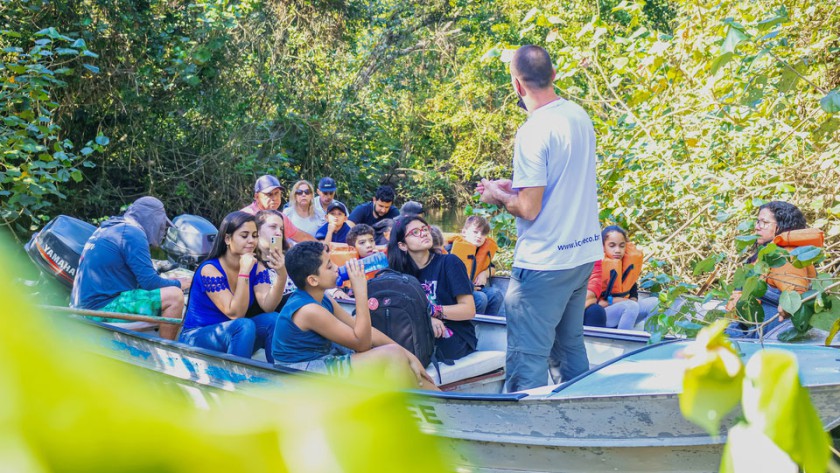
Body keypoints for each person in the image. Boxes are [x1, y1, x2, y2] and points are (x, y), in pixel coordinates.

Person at [478, 45, 601, 391]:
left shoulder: (533, 131)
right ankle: (579, 419)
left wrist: (497, 195)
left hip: (545, 263)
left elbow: (529, 209)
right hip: (582, 256)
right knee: (569, 348)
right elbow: (560, 180)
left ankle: (523, 433)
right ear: (554, 76)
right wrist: (514, 185)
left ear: (517, 85)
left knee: (526, 357)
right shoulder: (578, 115)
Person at [271, 241, 437, 389]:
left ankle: (441, 401)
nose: (337, 268)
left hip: (320, 359)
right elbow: (362, 343)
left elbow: (364, 330)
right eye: (329, 266)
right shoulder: (309, 310)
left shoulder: (324, 298)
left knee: (399, 354)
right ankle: (404, 411)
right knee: (392, 355)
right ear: (313, 280)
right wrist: (360, 292)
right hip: (299, 375)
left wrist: (409, 355)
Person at [71, 196, 188, 340]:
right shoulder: (133, 233)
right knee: (175, 297)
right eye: (162, 224)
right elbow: (150, 283)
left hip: (83, 308)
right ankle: (168, 354)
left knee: (167, 291)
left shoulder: (111, 227)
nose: (163, 230)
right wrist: (181, 283)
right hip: (100, 311)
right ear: (152, 219)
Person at [179, 211, 286, 362]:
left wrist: (282, 274)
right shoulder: (209, 269)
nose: (251, 241)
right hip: (197, 338)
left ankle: (276, 378)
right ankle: (237, 381)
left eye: (255, 235)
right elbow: (235, 314)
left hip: (234, 335)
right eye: (244, 236)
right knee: (244, 325)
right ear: (228, 239)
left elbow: (268, 306)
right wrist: (244, 272)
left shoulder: (257, 267)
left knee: (273, 319)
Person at [725, 201, 824, 338]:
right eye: (757, 222)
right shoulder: (771, 253)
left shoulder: (784, 256)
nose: (757, 227)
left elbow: (795, 292)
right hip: (758, 330)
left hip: (770, 332)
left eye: (764, 223)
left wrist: (787, 308)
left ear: (781, 226)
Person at [388, 215, 477, 361]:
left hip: (454, 335)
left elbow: (468, 310)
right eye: (415, 232)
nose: (423, 233)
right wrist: (426, 320)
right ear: (402, 245)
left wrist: (432, 313)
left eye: (425, 229)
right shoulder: (398, 273)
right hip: (415, 333)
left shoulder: (449, 263)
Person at [598, 226, 658, 330]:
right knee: (631, 306)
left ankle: (651, 342)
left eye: (622, 246)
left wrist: (633, 300)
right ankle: (622, 343)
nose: (617, 250)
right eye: (612, 246)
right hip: (603, 315)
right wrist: (621, 301)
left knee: (655, 303)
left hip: (628, 311)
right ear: (603, 247)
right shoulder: (596, 266)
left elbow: (632, 290)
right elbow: (597, 303)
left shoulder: (626, 265)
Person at [446, 216, 505, 316]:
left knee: (496, 294)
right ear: (464, 232)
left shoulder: (481, 249)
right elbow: (445, 276)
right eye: (475, 232)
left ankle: (486, 328)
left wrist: (484, 273)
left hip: (475, 288)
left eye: (483, 234)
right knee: (480, 298)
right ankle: (471, 328)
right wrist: (468, 287)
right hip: (456, 292)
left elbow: (492, 268)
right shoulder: (451, 249)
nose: (479, 236)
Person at [240, 174, 314, 244]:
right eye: (269, 194)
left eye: (277, 193)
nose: (274, 198)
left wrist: (323, 247)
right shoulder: (247, 216)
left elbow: (301, 237)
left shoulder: (280, 218)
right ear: (257, 197)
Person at [253, 210, 296, 312]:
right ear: (257, 231)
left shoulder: (290, 257)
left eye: (281, 229)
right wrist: (282, 274)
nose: (278, 233)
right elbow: (268, 307)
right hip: (280, 316)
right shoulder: (253, 263)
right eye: (273, 227)